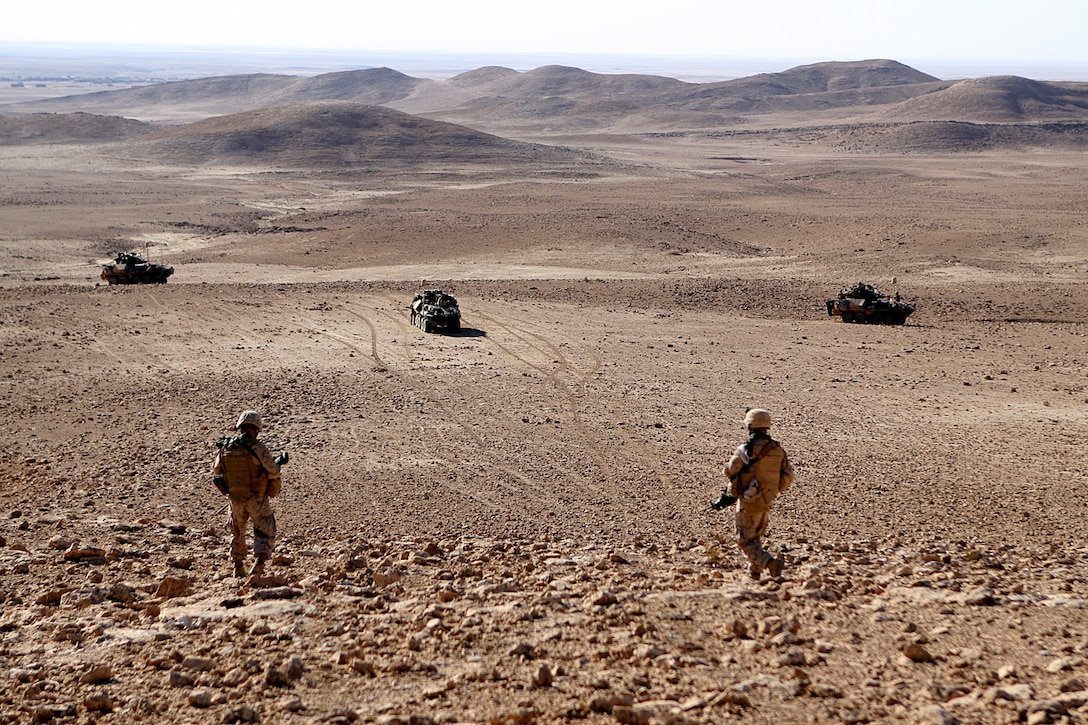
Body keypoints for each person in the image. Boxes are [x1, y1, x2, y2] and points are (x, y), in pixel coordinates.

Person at [710, 408, 794, 580]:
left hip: (749, 501)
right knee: (754, 538)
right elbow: (788, 477)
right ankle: (754, 573)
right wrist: (771, 490)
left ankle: (770, 563)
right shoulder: (778, 450)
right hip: (766, 501)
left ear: (749, 425)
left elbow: (730, 470)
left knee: (744, 540)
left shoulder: (746, 449)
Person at [212, 410, 287, 577]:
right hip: (256, 498)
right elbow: (273, 471)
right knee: (264, 528)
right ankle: (259, 565)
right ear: (257, 428)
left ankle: (238, 567)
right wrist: (278, 464)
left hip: (236, 498)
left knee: (237, 532)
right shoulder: (258, 448)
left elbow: (217, 470)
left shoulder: (226, 447)